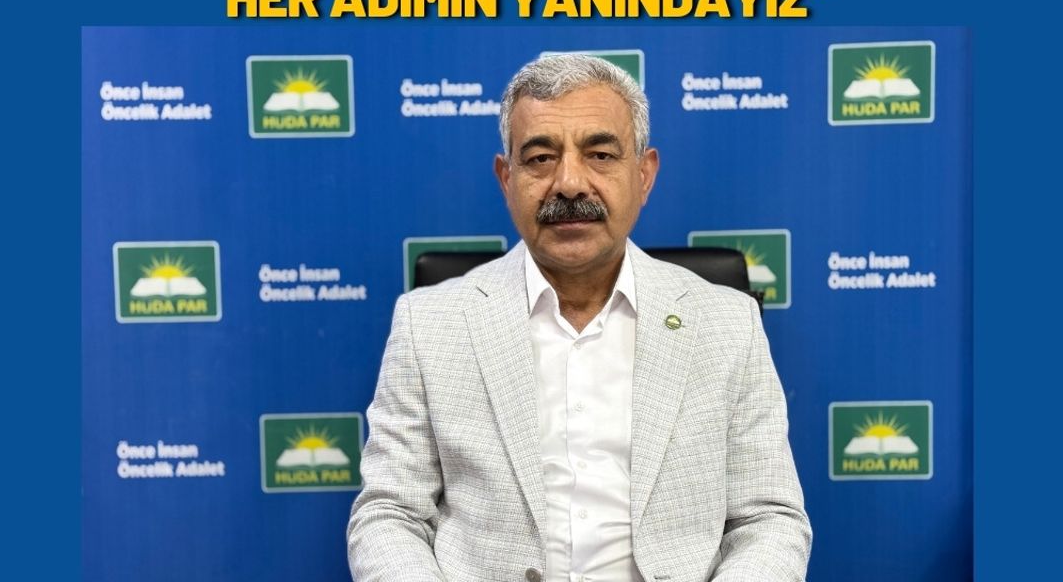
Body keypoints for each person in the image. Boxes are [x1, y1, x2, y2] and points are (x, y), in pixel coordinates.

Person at [347, 54, 811, 582]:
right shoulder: (429, 324)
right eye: (541, 158)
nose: (569, 183)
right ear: (506, 178)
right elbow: (390, 513)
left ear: (644, 175)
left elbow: (768, 519)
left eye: (600, 155)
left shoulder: (726, 323)